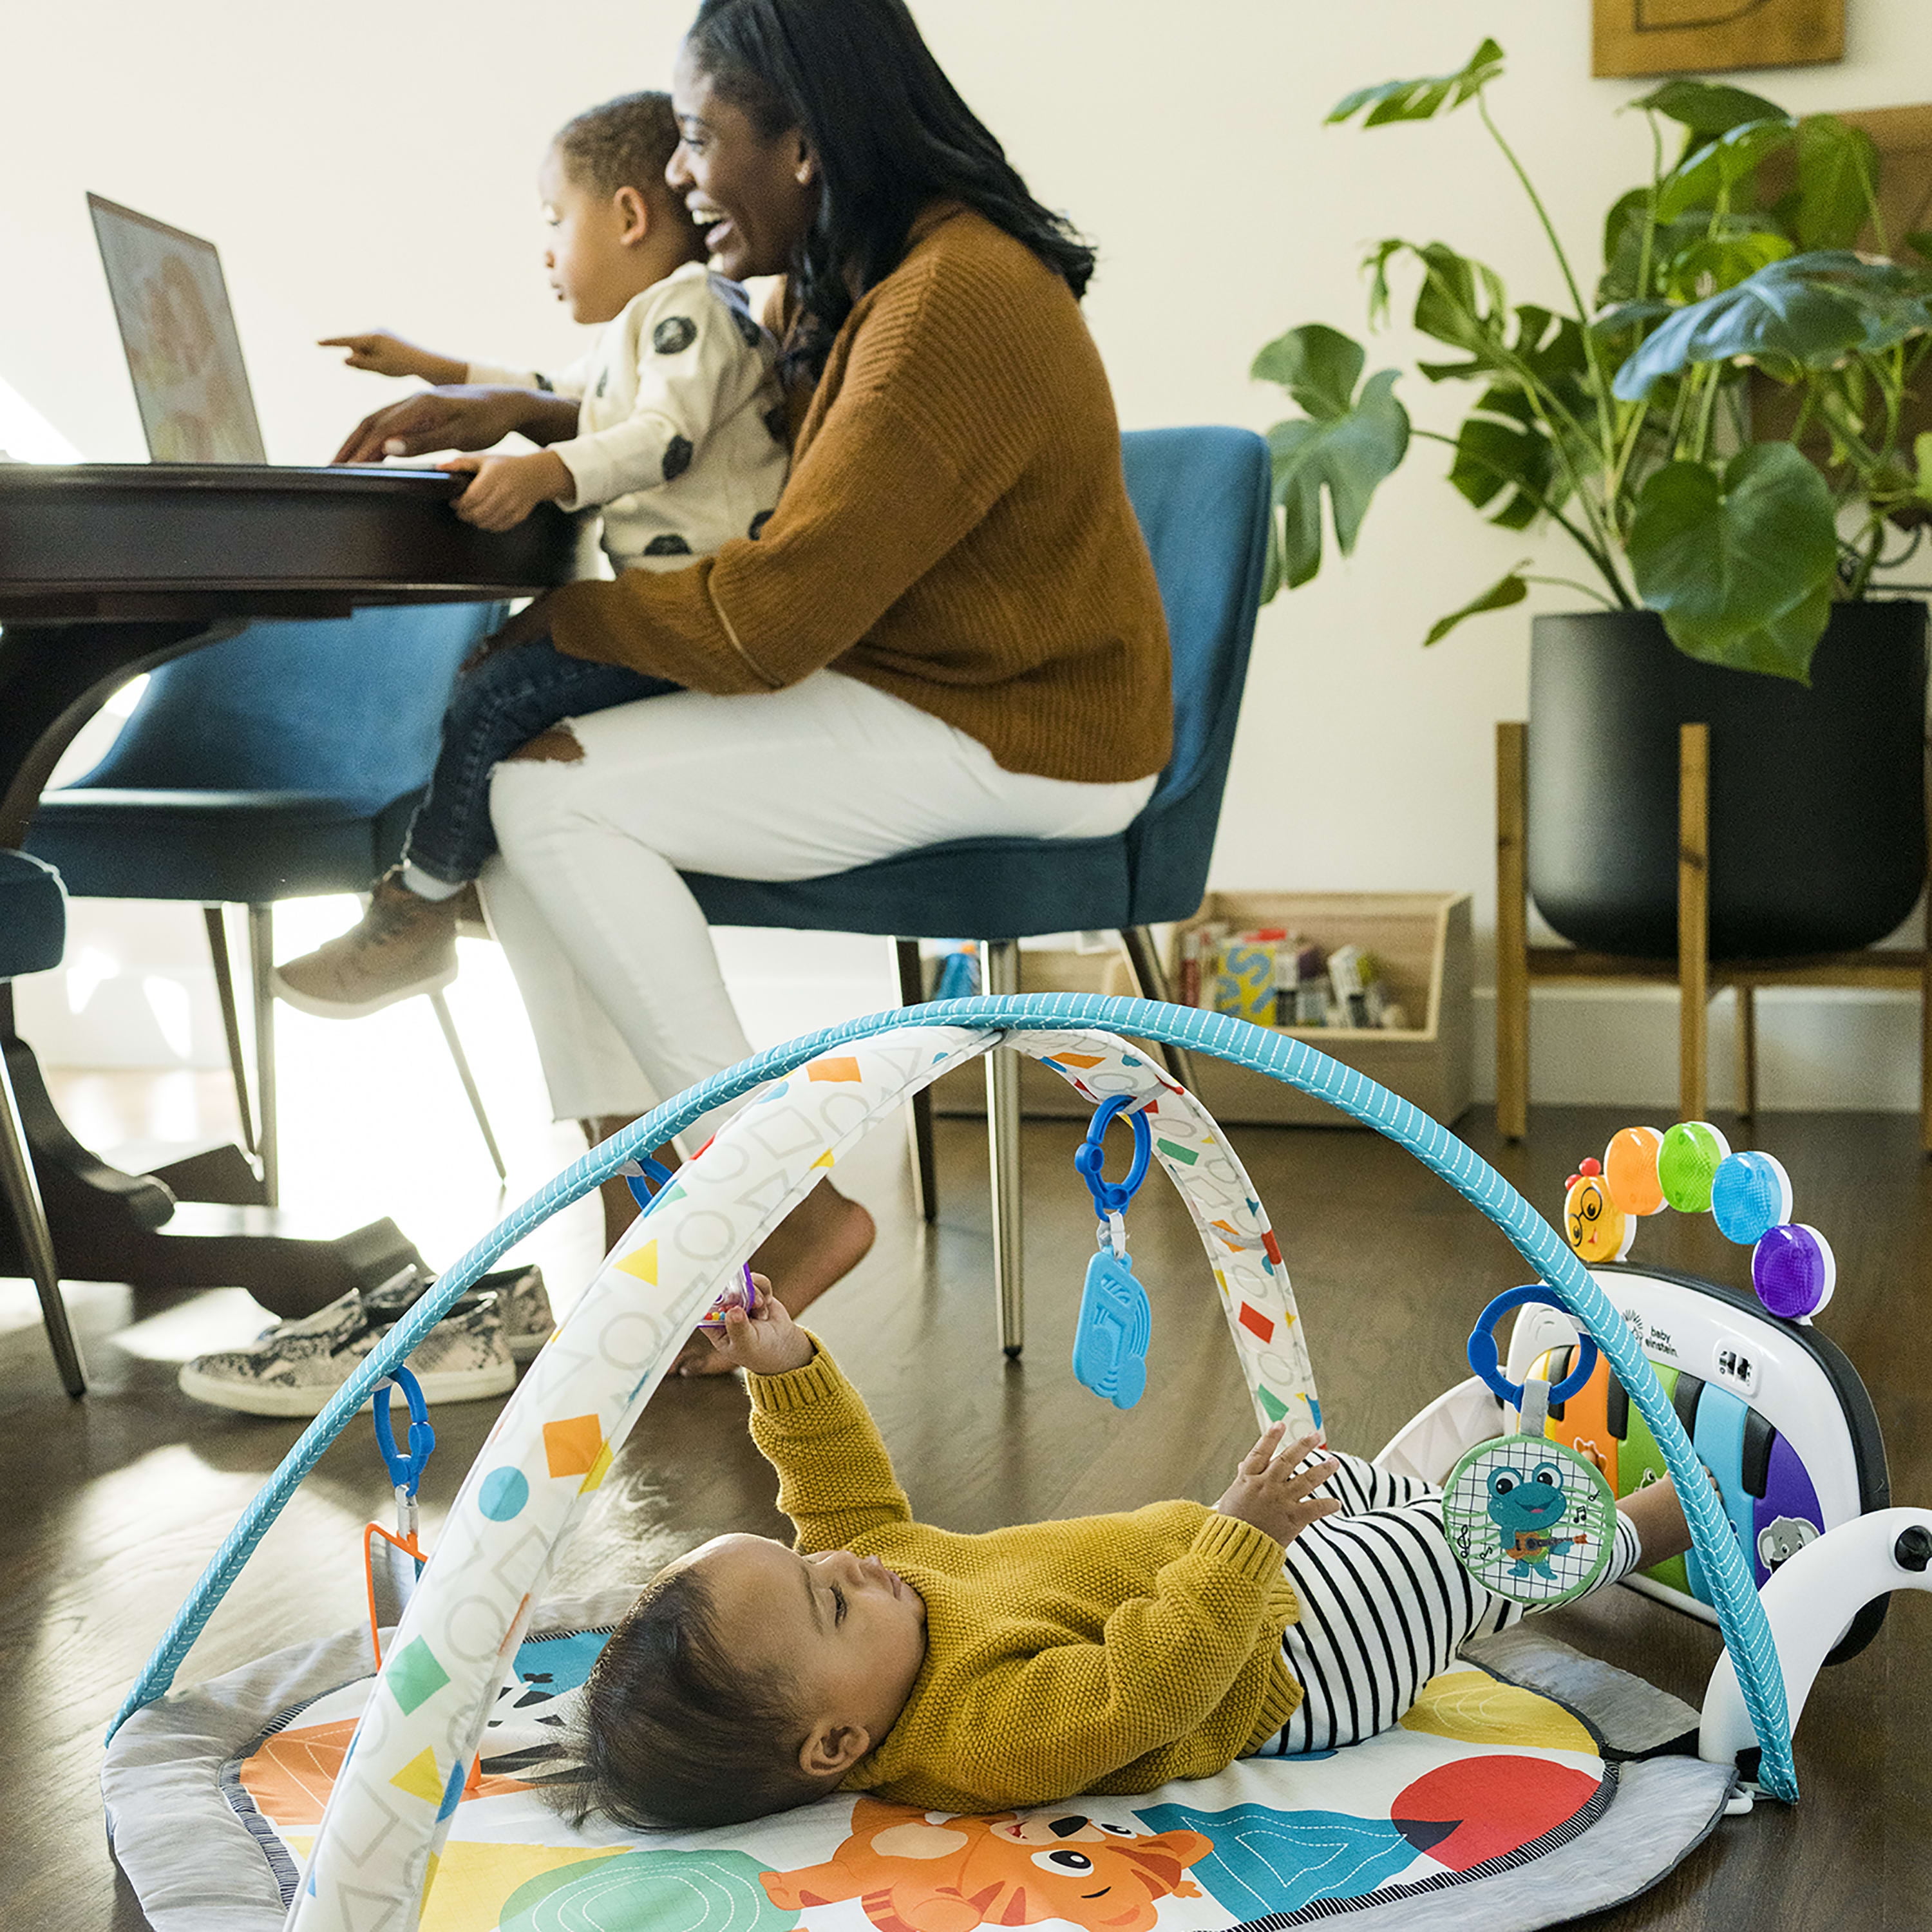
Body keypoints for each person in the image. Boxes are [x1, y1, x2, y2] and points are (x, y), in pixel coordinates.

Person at [307, 0, 1175, 1343]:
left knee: (544, 797)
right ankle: (638, 1217)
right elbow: (711, 401)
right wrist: (535, 412)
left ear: (807, 145)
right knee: (534, 788)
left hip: (1014, 731)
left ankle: (768, 1199)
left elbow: (774, 619)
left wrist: (557, 629)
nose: (684, 176)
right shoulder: (900, 275)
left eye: (704, 140)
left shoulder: (949, 303)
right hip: (945, 688)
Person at [559, 1286, 1700, 1828]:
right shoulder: (976, 1732)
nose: (848, 1566)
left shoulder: (873, 1587)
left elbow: (833, 1484)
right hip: (1283, 1664)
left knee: (1354, 1482)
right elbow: (1143, 1690)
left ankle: (1536, 1468)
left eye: (815, 1565)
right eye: (828, 1604)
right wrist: (1241, 1544)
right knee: (1449, 1556)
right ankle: (1669, 1516)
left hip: (1232, 1565)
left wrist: (783, 1361)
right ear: (841, 1742)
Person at [275, 90, 788, 1018]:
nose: (545, 250)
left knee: (498, 694)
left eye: (555, 220)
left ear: (629, 216)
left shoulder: (694, 314)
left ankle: (418, 909)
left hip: (706, 617)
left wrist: (547, 472)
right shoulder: (655, 321)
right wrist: (432, 366)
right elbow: (553, 392)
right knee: (498, 687)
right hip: (672, 608)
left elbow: (660, 438)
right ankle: (449, 887)